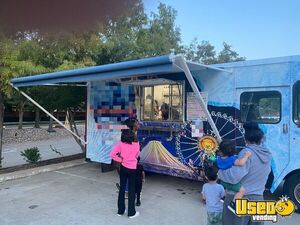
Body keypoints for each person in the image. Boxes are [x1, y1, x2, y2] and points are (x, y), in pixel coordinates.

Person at [219, 123, 272, 225]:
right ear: (260, 139)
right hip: (258, 198)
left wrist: (220, 172)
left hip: (241, 199)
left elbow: (234, 177)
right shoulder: (267, 154)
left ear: (246, 139)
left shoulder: (246, 153)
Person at [110, 129, 140, 218]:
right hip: (132, 168)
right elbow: (137, 156)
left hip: (123, 168)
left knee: (122, 188)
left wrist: (121, 160)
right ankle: (131, 213)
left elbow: (112, 154)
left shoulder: (120, 144)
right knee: (131, 190)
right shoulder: (136, 144)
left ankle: (120, 211)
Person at [217, 140, 251, 214]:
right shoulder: (232, 159)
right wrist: (246, 156)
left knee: (226, 187)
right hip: (231, 181)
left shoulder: (219, 159)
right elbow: (241, 163)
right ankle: (233, 204)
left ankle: (223, 197)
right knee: (241, 191)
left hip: (223, 180)